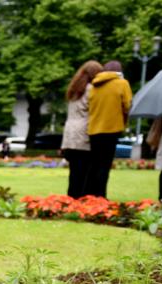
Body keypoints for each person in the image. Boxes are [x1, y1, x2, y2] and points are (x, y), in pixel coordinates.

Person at [83, 60, 132, 198]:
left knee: (94, 165)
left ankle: (88, 195)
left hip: (93, 129)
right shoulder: (122, 83)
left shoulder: (94, 85)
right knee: (104, 165)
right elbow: (128, 106)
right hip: (111, 128)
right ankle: (100, 196)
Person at [61, 60, 103, 198]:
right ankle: (81, 200)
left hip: (70, 134)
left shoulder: (74, 90)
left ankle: (71, 198)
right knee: (84, 172)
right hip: (83, 133)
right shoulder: (92, 90)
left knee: (74, 173)